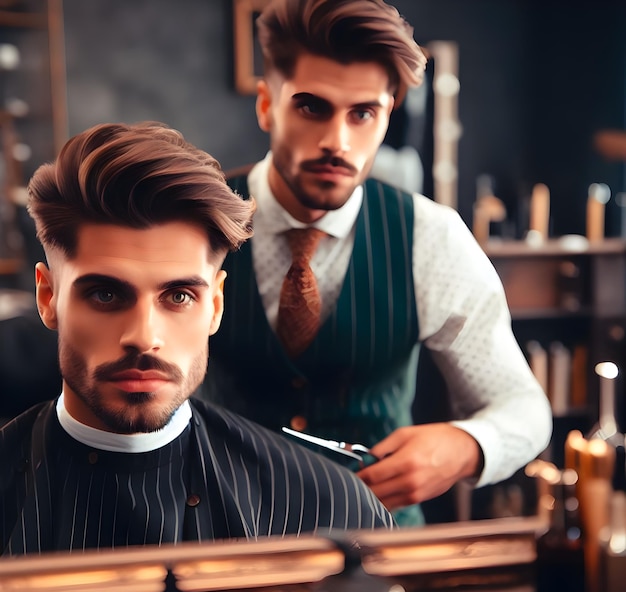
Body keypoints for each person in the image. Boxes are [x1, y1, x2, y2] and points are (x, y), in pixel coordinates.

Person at [197, 0, 552, 526]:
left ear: (388, 114)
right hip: (225, 540)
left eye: (362, 113)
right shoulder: (192, 221)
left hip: (380, 545)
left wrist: (463, 446)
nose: (337, 142)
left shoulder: (431, 238)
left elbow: (525, 410)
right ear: (267, 105)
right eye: (312, 107)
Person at [0, 121, 395, 556]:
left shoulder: (332, 511)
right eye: (106, 294)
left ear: (216, 305)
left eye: (179, 296)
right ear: (48, 296)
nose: (143, 337)